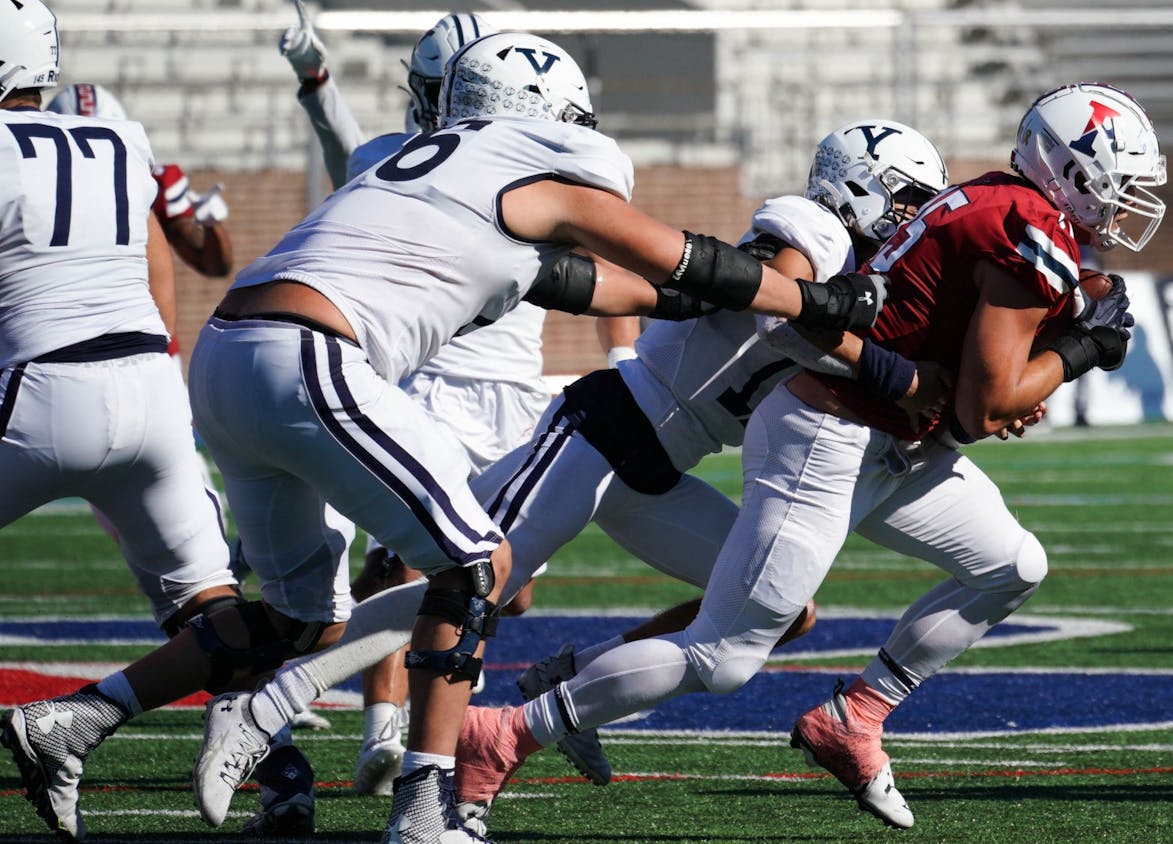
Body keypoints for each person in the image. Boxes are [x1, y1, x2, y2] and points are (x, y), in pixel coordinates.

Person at [179, 30, 882, 844]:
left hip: (626, 445)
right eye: (904, 203)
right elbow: (709, 270)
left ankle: (554, 691)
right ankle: (315, 722)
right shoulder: (811, 230)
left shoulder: (471, 172)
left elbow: (589, 274)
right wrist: (874, 350)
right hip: (563, 417)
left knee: (765, 608)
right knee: (465, 572)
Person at [449, 82, 1166, 831]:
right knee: (722, 656)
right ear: (1069, 165)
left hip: (894, 438)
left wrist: (1025, 373)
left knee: (1012, 565)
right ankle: (503, 734)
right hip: (828, 436)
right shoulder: (1021, 223)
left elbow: (979, 385)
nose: (1130, 202)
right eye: (1123, 182)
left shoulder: (1005, 204)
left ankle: (855, 715)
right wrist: (1080, 351)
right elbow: (980, 411)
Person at [280, 7, 642, 799]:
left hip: (516, 395)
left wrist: (623, 355)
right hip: (429, 384)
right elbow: (356, 156)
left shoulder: (536, 161)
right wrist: (317, 91)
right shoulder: (399, 156)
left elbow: (601, 251)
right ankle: (389, 733)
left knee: (511, 585)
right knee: (427, 561)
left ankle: (433, 722)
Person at [0, 3, 243, 840]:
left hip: (37, 397)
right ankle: (279, 772)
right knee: (222, 613)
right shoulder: (119, 139)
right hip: (150, 394)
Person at [46, 82, 234, 280]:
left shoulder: (155, 184)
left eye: (99, 142)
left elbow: (214, 266)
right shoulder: (36, 184)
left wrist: (212, 227)